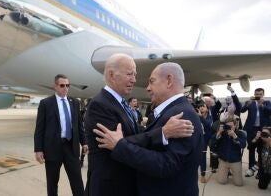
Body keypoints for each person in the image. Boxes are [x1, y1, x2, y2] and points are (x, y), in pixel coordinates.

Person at [92, 62, 202, 196]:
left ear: (169, 81)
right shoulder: (171, 111)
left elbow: (166, 165)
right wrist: (163, 132)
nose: (148, 88)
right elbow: (148, 138)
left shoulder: (182, 115)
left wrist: (119, 146)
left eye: (152, 81)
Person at [34, 74, 87, 196]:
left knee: (77, 182)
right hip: (53, 148)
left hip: (71, 148)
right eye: (62, 85)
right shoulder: (46, 103)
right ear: (55, 87)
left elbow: (79, 125)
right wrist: (38, 149)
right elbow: (39, 129)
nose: (65, 88)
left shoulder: (75, 102)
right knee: (52, 183)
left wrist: (84, 142)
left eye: (67, 85)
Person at [241, 88, 271, 177]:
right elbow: (242, 110)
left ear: (263, 94)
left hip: (263, 130)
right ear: (254, 94)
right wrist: (247, 104)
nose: (258, 96)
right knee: (251, 150)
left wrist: (262, 105)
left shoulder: (267, 103)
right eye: (256, 94)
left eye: (260, 94)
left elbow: (270, 111)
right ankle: (250, 169)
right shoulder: (250, 102)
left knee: (261, 151)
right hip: (251, 130)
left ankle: (260, 172)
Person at [210, 113, 246, 186]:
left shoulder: (240, 134)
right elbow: (212, 144)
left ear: (235, 126)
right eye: (227, 126)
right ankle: (225, 172)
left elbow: (243, 145)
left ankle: (232, 173)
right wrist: (219, 132)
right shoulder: (222, 133)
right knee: (221, 181)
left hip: (235, 161)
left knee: (238, 184)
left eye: (231, 126)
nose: (229, 128)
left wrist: (234, 136)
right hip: (223, 160)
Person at [197, 102, 213, 183]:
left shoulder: (210, 116)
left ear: (207, 108)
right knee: (202, 156)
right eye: (200, 107)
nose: (201, 108)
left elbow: (208, 125)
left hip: (209, 138)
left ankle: (214, 167)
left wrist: (201, 117)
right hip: (201, 139)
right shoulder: (196, 116)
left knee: (213, 153)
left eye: (203, 106)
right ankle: (203, 175)